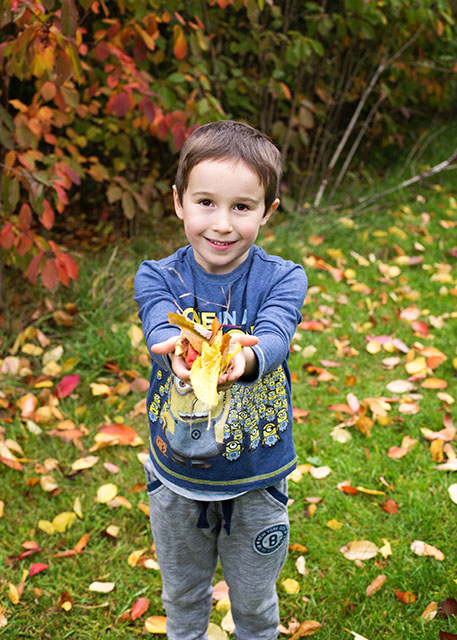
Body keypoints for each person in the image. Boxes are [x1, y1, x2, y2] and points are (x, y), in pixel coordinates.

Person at [134, 120, 308, 640]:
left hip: (256, 479)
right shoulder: (158, 275)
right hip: (177, 478)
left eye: (242, 207)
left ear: (267, 211)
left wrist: (246, 361)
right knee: (182, 596)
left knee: (254, 605)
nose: (222, 223)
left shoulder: (283, 277)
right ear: (179, 202)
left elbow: (276, 334)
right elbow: (160, 321)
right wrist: (172, 352)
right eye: (206, 202)